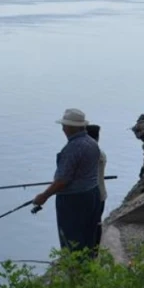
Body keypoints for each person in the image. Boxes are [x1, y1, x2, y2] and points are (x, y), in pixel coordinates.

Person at [32, 108, 102, 256]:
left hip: (74, 201)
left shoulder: (72, 148)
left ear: (70, 127)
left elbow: (62, 180)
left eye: (64, 125)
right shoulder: (92, 143)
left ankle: (75, 273)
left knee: (71, 239)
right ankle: (89, 268)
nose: (62, 128)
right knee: (88, 236)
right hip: (93, 194)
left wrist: (43, 196)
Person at [86, 124, 107, 246]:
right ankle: (94, 250)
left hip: (95, 195)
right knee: (96, 222)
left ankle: (93, 250)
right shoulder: (101, 153)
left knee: (93, 225)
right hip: (101, 193)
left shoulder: (95, 153)